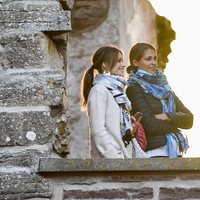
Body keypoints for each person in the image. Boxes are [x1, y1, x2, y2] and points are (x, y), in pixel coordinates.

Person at [126, 42, 193, 158]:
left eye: (155, 58)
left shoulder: (165, 88)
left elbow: (189, 119)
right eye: (148, 59)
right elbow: (149, 125)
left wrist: (167, 116)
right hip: (155, 153)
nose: (153, 63)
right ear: (135, 62)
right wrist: (176, 126)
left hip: (175, 150)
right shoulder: (134, 88)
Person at [81, 45, 137, 158]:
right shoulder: (99, 90)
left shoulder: (117, 93)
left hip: (122, 159)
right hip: (110, 162)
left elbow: (114, 130)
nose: (123, 65)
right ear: (105, 65)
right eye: (119, 61)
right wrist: (113, 157)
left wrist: (130, 127)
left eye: (122, 60)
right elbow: (98, 130)